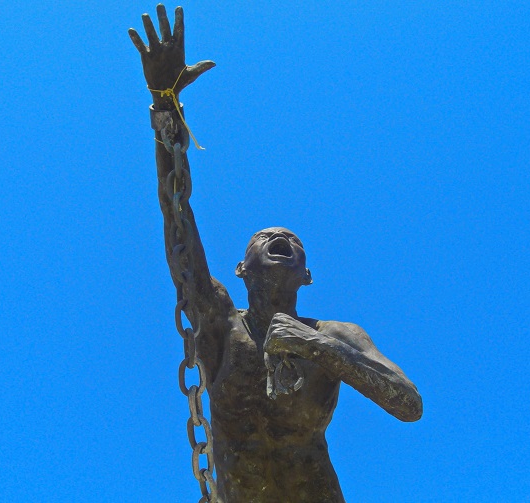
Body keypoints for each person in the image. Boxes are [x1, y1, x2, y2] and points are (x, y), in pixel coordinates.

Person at [129, 5, 422, 502]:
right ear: (241, 270)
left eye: (292, 242)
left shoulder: (337, 335)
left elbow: (407, 403)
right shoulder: (221, 322)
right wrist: (165, 105)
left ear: (307, 275)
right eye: (264, 239)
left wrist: (318, 349)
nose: (280, 239)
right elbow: (178, 224)